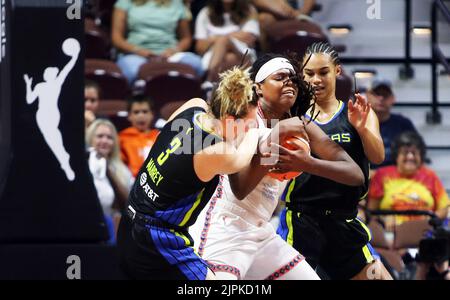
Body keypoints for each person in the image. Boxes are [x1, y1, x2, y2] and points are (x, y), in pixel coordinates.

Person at [189, 53, 365, 280]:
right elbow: (240, 189)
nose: (289, 82)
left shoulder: (302, 124)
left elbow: (355, 174)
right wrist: (275, 137)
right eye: (280, 77)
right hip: (226, 225)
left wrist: (308, 163)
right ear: (259, 88)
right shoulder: (244, 117)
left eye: (292, 78)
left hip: (261, 230)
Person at [117, 66, 262, 280]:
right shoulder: (216, 150)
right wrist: (259, 126)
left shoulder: (193, 106)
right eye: (246, 124)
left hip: (129, 221)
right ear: (231, 120)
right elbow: (241, 159)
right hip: (157, 239)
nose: (247, 129)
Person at [276, 42, 392, 280]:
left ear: (337, 71)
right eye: (309, 74)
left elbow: (378, 156)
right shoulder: (291, 115)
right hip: (302, 220)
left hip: (344, 219)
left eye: (323, 72)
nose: (315, 80)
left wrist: (362, 129)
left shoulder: (358, 111)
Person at [23, 38, 80, 182]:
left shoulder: (56, 83)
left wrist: (75, 56)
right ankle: (64, 161)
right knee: (52, 138)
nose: (49, 74)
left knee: (53, 137)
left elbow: (67, 70)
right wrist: (28, 85)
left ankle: (64, 159)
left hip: (53, 115)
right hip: (42, 115)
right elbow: (29, 100)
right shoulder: (40, 86)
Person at [368, 131, 450, 227]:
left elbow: (444, 208)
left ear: (421, 156)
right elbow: (371, 211)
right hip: (391, 233)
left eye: (414, 153)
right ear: (397, 156)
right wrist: (383, 220)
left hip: (423, 232)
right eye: (405, 152)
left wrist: (432, 220)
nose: (410, 157)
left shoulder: (430, 176)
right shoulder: (382, 175)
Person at [111, 0, 203, 84]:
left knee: (196, 64)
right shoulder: (125, 2)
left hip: (169, 55)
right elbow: (117, 38)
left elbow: (186, 38)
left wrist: (173, 50)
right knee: (131, 71)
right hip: (136, 54)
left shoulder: (177, 4)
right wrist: (138, 50)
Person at [86, 119, 134, 243]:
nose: (104, 141)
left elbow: (128, 204)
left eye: (109, 137)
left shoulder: (122, 169)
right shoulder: (82, 164)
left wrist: (108, 171)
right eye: (100, 136)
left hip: (112, 228)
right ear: (91, 138)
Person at [194, 0, 260, 85]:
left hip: (243, 56)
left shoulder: (249, 10)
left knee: (223, 41)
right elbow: (200, 47)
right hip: (215, 57)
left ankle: (209, 81)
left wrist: (217, 38)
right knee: (229, 58)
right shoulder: (205, 13)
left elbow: (250, 38)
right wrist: (232, 36)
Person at [366, 79, 418, 169]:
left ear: (393, 99)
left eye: (385, 95)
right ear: (367, 96)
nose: (381, 98)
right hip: (365, 177)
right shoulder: (358, 123)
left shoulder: (403, 124)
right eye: (377, 94)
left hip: (396, 178)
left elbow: (416, 151)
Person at [119, 94, 160, 177]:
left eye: (145, 112)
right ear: (129, 116)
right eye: (136, 112)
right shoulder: (121, 138)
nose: (141, 116)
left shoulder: (159, 137)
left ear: (152, 114)